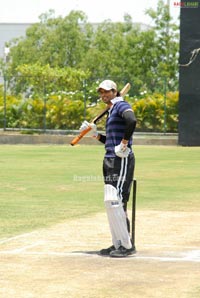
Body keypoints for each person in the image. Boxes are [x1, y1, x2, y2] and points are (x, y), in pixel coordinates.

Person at [79, 79, 137, 257]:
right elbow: (110, 140)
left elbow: (132, 121)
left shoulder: (121, 106)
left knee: (114, 200)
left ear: (115, 92)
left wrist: (125, 143)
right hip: (110, 158)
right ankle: (117, 243)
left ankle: (127, 246)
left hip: (121, 159)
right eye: (101, 92)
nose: (104, 95)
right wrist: (95, 135)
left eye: (107, 91)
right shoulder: (112, 110)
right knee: (110, 202)